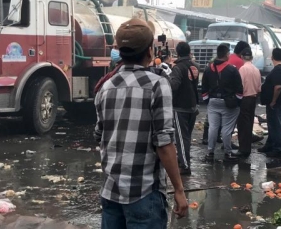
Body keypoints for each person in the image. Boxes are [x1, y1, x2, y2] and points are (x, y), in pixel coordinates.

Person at [94, 19, 188, 227]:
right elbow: (163, 143)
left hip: (110, 193)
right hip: (144, 194)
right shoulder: (157, 85)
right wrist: (179, 191)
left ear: (118, 51)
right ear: (149, 51)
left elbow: (100, 136)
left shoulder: (105, 87)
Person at [201, 44, 243, 162]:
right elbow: (239, 88)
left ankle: (210, 153)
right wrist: (238, 102)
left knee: (213, 127)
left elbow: (204, 88)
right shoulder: (232, 69)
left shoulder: (209, 69)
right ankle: (228, 153)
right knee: (226, 129)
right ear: (226, 55)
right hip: (228, 103)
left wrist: (208, 101)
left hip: (213, 102)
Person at [169, 42, 200, 176]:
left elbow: (173, 86)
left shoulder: (178, 67)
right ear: (189, 52)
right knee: (186, 137)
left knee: (181, 138)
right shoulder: (195, 66)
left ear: (177, 53)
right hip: (192, 105)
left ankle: (185, 166)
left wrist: (165, 79)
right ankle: (183, 161)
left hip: (180, 106)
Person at [258, 48, 281, 158]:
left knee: (276, 125)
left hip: (276, 102)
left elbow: (278, 87)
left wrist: (273, 101)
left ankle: (278, 149)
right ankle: (270, 144)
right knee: (272, 124)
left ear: (272, 57)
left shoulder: (278, 70)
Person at [237, 47, 261, 157]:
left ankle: (243, 149)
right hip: (253, 98)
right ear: (251, 57)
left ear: (242, 57)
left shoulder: (242, 69)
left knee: (242, 124)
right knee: (249, 123)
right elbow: (259, 88)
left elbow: (240, 86)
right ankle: (247, 148)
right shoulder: (256, 70)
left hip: (245, 99)